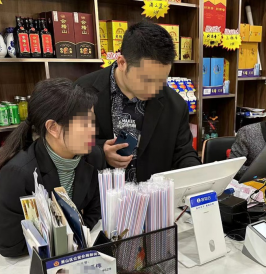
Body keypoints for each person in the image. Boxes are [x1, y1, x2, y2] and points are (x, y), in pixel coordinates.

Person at [0, 78, 105, 257]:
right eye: (84, 124)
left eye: (92, 122)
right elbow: (10, 246)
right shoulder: (18, 172)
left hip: (54, 255)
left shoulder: (93, 157)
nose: (93, 130)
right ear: (53, 127)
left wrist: (69, 238)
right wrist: (66, 239)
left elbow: (94, 214)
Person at [75, 20, 200, 183]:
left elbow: (183, 152)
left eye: (161, 81)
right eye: (147, 80)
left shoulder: (175, 105)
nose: (154, 90)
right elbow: (64, 146)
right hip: (99, 202)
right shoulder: (82, 92)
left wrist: (198, 177)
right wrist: (100, 152)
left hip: (155, 201)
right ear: (122, 63)